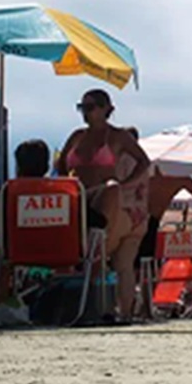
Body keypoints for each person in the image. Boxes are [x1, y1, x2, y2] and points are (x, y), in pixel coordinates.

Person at [56, 89, 151, 321]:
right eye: (82, 108)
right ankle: (109, 308)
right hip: (82, 194)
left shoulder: (118, 137)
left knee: (123, 262)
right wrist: (66, 181)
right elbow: (60, 163)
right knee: (123, 262)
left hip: (105, 197)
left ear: (105, 109)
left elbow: (143, 161)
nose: (85, 113)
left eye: (89, 108)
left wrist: (126, 183)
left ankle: (124, 312)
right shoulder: (77, 135)